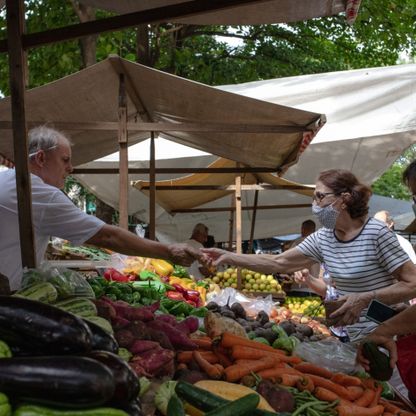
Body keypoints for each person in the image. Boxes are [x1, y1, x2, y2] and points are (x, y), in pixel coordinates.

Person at [202, 169, 416, 342]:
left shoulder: (376, 234)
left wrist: (365, 298)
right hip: (346, 335)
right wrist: (228, 256)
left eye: (320, 197)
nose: (315, 205)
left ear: (344, 199)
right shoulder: (324, 238)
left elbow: (413, 283)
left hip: (383, 336)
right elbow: (278, 261)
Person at [0, 126, 200, 292]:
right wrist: (169, 251)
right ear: (41, 158)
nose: (71, 168)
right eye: (65, 160)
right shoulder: (38, 193)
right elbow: (108, 237)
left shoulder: (6, 180)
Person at [287, 219, 321, 296]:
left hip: (299, 287)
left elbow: (287, 261)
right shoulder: (320, 244)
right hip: (315, 288)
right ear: (314, 230)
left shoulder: (298, 242)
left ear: (303, 229)